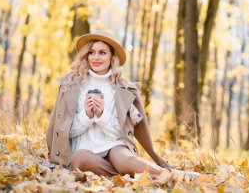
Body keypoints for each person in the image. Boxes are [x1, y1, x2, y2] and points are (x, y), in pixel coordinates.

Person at [46, 30, 172, 178]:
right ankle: (125, 175)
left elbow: (122, 133)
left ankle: (171, 175)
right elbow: (63, 131)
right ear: (86, 55)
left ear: (112, 56)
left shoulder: (123, 89)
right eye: (91, 52)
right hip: (84, 152)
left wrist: (101, 115)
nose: (96, 57)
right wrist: (86, 115)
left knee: (125, 159)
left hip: (114, 147)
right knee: (79, 159)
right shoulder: (70, 85)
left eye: (102, 53)